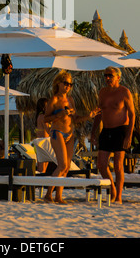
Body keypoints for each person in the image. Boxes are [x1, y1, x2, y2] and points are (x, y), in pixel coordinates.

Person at [43, 71, 100, 204]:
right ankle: (48, 194)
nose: (68, 86)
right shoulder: (54, 99)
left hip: (70, 134)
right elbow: (45, 118)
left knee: (67, 167)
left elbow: (76, 119)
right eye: (66, 83)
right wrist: (60, 115)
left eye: (70, 84)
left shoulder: (71, 100)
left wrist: (89, 116)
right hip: (57, 133)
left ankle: (58, 197)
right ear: (59, 83)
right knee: (62, 165)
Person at [91, 66, 135, 204]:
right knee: (101, 165)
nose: (107, 78)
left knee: (118, 166)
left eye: (110, 75)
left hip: (121, 130)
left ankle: (119, 196)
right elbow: (99, 113)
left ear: (118, 77)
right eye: (105, 75)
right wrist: (93, 132)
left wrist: (129, 136)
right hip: (106, 131)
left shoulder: (124, 92)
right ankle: (113, 190)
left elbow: (133, 115)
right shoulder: (102, 92)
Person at [35, 97, 51, 173]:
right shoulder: (43, 117)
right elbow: (48, 130)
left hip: (40, 143)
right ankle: (40, 183)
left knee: (41, 167)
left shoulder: (39, 116)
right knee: (42, 168)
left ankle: (40, 183)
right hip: (44, 143)